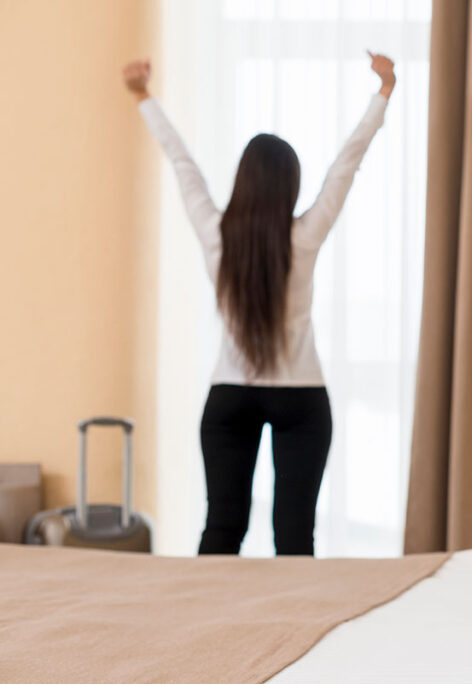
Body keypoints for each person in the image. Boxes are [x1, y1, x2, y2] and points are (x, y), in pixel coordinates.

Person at [123, 52, 397, 556]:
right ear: (289, 185)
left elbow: (182, 163)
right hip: (302, 398)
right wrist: (383, 92)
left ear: (242, 181)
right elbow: (346, 167)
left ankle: (205, 632)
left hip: (230, 398)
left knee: (222, 529)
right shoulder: (305, 236)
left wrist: (144, 98)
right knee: (295, 538)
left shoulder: (216, 233)